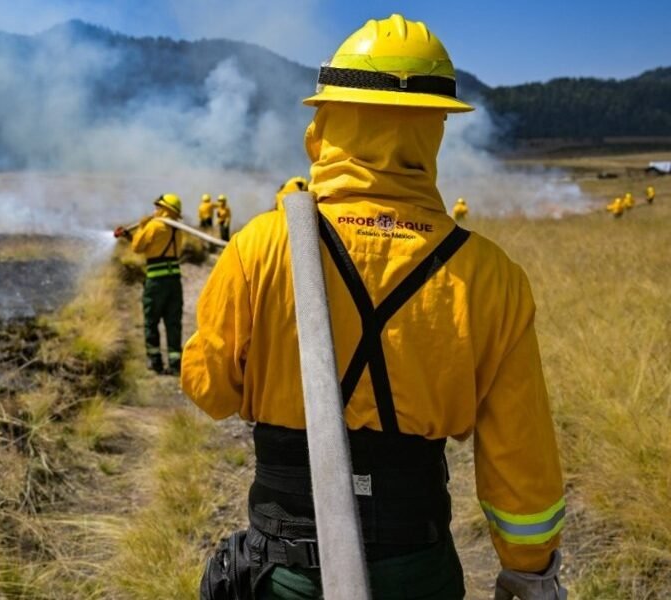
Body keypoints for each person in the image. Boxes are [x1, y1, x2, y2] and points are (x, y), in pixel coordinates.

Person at [186, 14, 566, 600]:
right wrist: (528, 567)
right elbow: (522, 454)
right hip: (416, 567)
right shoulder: (491, 275)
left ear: (328, 120)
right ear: (434, 129)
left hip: (286, 572)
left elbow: (209, 390)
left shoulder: (261, 246)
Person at [118, 193, 184, 375]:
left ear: (164, 209)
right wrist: (128, 235)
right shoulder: (177, 229)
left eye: (157, 207)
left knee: (151, 321)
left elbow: (139, 247)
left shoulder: (154, 226)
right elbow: (152, 246)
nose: (155, 210)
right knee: (173, 322)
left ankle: (155, 363)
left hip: (156, 282)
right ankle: (175, 363)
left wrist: (141, 227)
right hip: (175, 281)